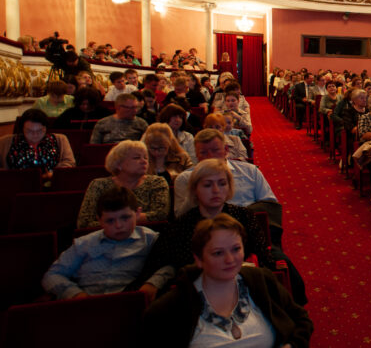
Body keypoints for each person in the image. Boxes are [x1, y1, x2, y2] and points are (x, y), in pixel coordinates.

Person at [141, 214, 313, 347]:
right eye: (218, 253)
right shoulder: (172, 307)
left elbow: (301, 320)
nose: (230, 260)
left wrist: (292, 345)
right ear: (199, 259)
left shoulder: (261, 280)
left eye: (236, 249)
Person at [43, 186, 174, 300]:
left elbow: (170, 264)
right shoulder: (84, 244)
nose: (119, 225)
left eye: (125, 217)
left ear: (138, 214)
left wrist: (153, 283)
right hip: (89, 302)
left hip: (131, 302)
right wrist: (75, 294)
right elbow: (52, 275)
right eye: (110, 221)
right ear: (99, 220)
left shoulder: (150, 239)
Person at [173, 129, 277, 215]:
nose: (210, 156)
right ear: (196, 155)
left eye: (215, 150)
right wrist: (193, 193)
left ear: (226, 150)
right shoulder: (185, 178)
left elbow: (270, 205)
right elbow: (180, 216)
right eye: (203, 152)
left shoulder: (250, 171)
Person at [77, 140, 170, 228]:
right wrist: (130, 220)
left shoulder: (157, 182)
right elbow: (85, 222)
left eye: (146, 157)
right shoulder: (99, 185)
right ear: (118, 164)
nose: (144, 161)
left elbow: (160, 215)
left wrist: (112, 221)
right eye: (136, 158)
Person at [0, 108, 75, 176]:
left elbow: (69, 162)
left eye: (40, 131)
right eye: (29, 131)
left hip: (52, 182)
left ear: (46, 128)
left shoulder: (60, 139)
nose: (35, 135)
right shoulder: (5, 142)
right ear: (22, 129)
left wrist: (53, 174)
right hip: (16, 183)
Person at [142, 123, 193, 187]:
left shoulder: (182, 158)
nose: (157, 152)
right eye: (152, 148)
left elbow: (191, 179)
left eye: (161, 148)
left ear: (170, 144)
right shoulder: (142, 160)